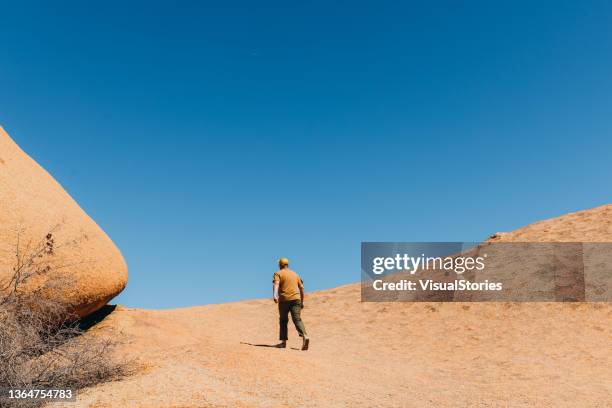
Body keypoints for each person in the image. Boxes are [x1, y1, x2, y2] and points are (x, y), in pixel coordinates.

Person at [273, 257, 309, 350]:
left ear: (280, 265)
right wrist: (302, 301)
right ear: (287, 264)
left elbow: (276, 284)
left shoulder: (278, 273)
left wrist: (275, 295)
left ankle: (283, 342)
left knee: (283, 320)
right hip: (296, 299)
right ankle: (305, 336)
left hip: (284, 300)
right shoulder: (295, 274)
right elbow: (302, 288)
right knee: (297, 319)